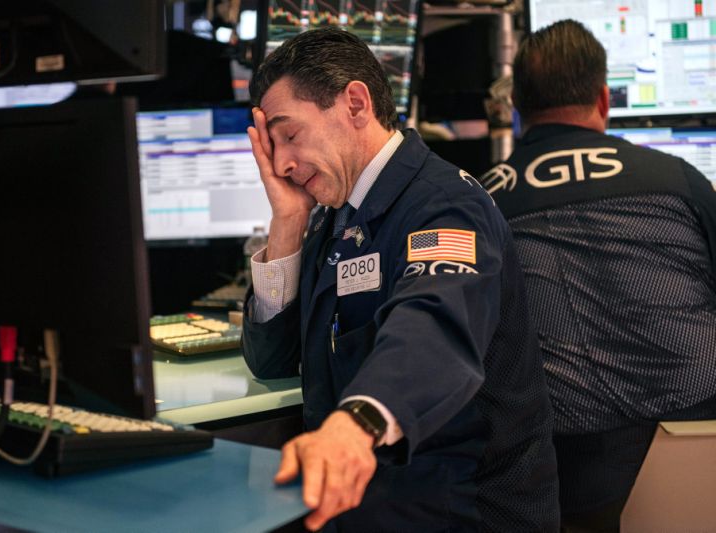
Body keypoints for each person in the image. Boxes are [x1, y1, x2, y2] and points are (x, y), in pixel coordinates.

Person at [242, 27, 559, 532]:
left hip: (459, 509)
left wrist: (356, 426)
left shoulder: (446, 205)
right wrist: (288, 224)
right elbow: (272, 359)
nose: (281, 163)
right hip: (374, 504)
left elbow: (433, 329)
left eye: (290, 135)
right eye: (272, 145)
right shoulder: (334, 214)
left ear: (355, 103)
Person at [481, 19, 716, 532]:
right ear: (604, 98)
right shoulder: (676, 179)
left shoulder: (482, 203)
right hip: (697, 455)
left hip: (563, 481)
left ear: (517, 106)